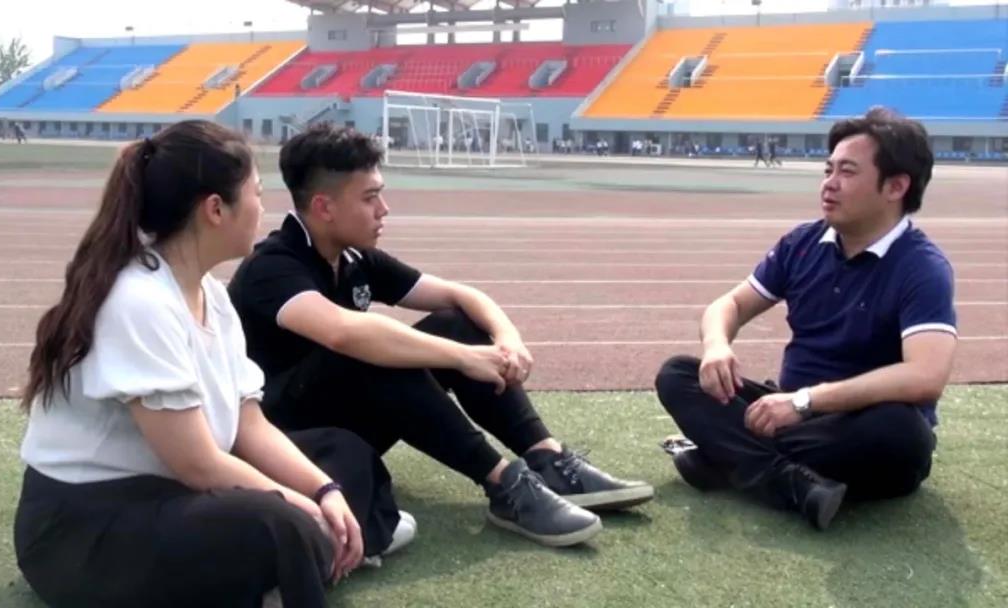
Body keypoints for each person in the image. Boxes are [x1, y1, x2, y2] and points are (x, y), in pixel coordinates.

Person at [14, 120, 410, 608]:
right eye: (257, 194)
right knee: (279, 521)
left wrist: (323, 490)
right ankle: (310, 555)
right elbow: (198, 465)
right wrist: (302, 508)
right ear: (216, 209)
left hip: (167, 494)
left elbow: (249, 425)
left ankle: (308, 554)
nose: (263, 208)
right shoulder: (139, 302)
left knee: (340, 455)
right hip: (86, 533)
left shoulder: (212, 297)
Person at [228, 124, 653, 548]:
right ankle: (503, 484)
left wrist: (506, 337)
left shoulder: (354, 257)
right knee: (373, 347)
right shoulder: (273, 266)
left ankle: (547, 458)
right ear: (324, 207)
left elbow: (459, 295)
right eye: (370, 198)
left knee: (454, 323)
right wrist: (463, 358)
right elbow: (343, 332)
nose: (384, 209)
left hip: (342, 422)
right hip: (284, 442)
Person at [654, 108, 955, 530]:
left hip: (856, 426)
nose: (829, 183)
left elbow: (925, 377)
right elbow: (730, 305)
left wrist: (804, 402)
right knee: (678, 375)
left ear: (895, 186)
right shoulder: (803, 243)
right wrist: (717, 345)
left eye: (847, 172)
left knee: (901, 432)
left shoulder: (921, 267)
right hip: (788, 413)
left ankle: (727, 458)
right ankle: (789, 481)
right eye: (828, 169)